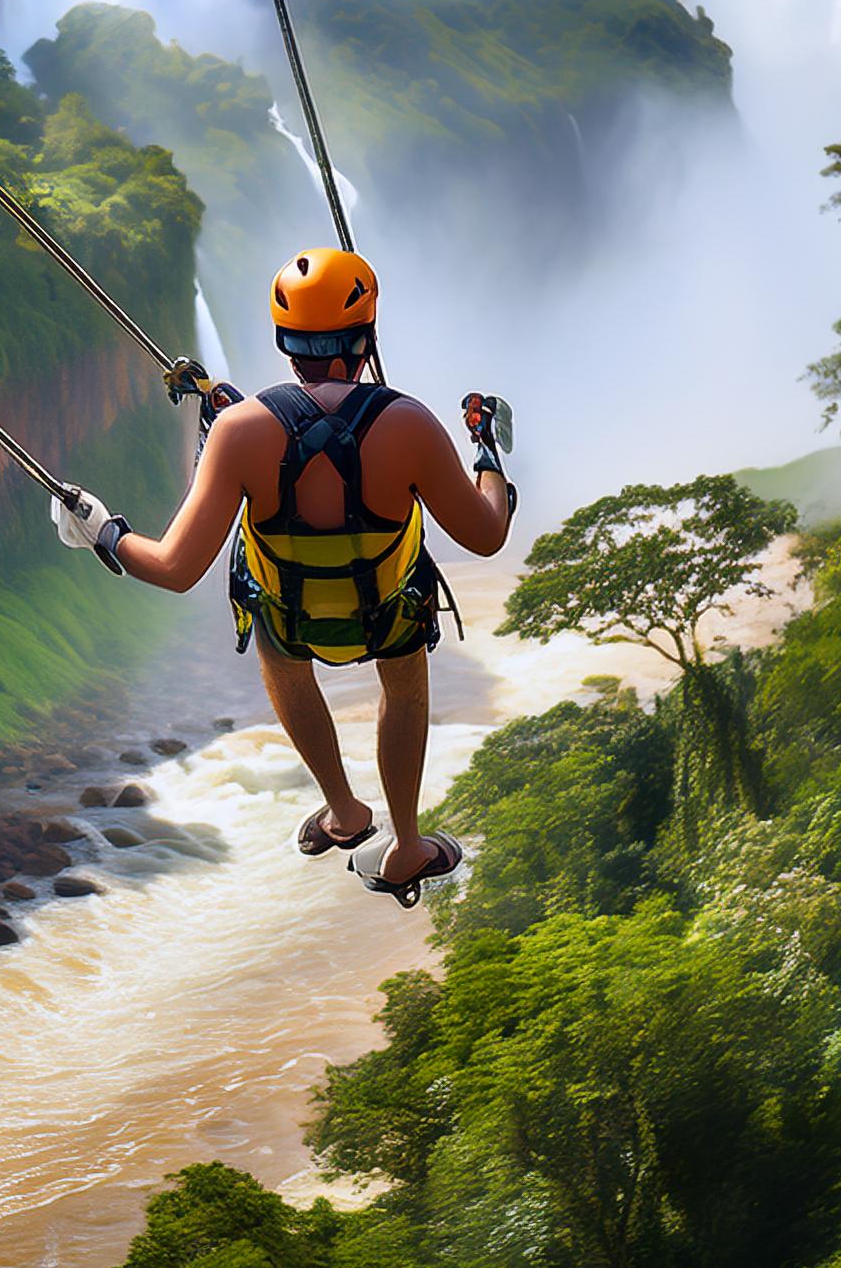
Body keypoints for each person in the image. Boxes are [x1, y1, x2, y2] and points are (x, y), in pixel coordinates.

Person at [51, 247, 516, 905]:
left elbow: (177, 567)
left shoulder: (240, 431)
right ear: (367, 336)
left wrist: (103, 531)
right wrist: (486, 452)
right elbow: (486, 534)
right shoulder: (409, 423)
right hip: (388, 615)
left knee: (278, 647)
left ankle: (343, 813)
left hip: (291, 621)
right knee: (404, 686)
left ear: (283, 340)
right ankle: (408, 845)